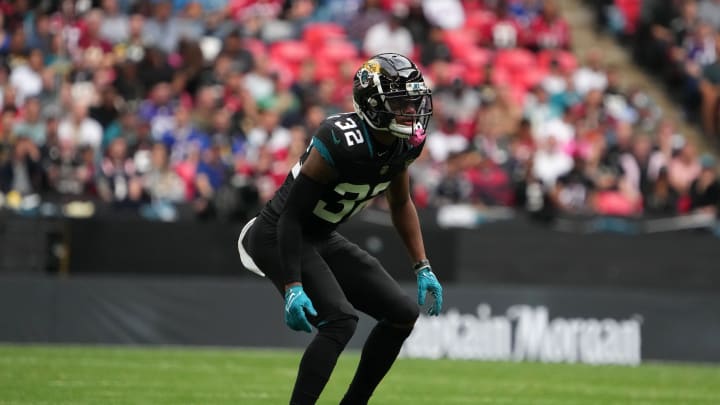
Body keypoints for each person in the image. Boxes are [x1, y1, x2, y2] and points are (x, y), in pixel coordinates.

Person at [237, 53, 443, 405]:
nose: (411, 110)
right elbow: (290, 217)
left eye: (413, 100)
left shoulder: (406, 142)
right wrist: (292, 286)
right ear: (374, 105)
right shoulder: (339, 140)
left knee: (402, 314)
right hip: (278, 233)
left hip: (320, 236)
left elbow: (400, 202)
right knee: (340, 320)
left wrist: (422, 265)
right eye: (401, 102)